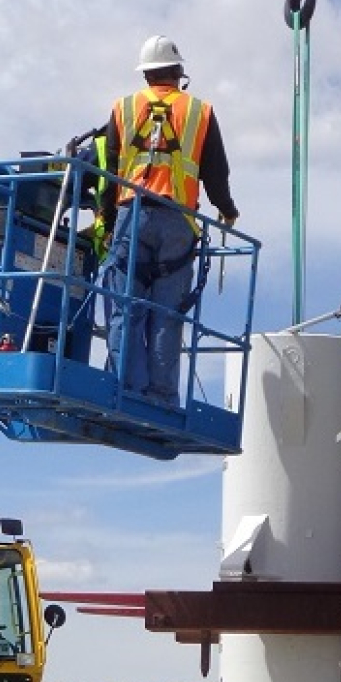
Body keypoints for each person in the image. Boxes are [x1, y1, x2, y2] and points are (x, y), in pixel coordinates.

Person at [99, 35, 238, 408]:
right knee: (166, 313)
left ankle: (124, 387)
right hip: (178, 220)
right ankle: (160, 395)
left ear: (145, 74)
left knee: (125, 306)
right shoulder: (200, 111)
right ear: (179, 72)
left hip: (131, 216)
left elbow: (108, 171)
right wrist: (228, 210)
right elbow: (215, 173)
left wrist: (106, 219)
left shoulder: (123, 108)